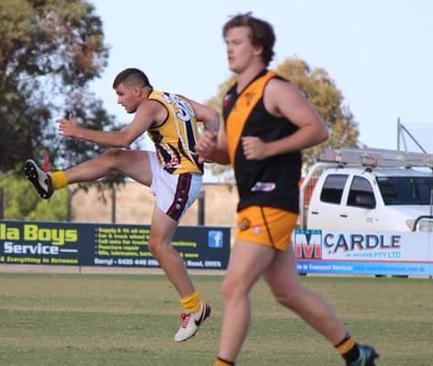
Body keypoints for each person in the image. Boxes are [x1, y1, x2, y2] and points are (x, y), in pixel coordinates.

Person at [195, 13, 379, 366]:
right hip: (253, 201)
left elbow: (317, 130)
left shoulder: (274, 88)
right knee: (287, 292)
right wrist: (211, 151)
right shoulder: (233, 97)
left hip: (272, 200)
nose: (229, 51)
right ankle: (356, 354)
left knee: (233, 288)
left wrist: (269, 148)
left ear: (259, 48)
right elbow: (232, 151)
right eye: (227, 44)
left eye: (237, 43)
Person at [24, 68, 219, 342]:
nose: (119, 100)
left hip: (180, 179)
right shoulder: (173, 98)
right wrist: (209, 142)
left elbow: (125, 138)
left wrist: (79, 132)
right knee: (114, 158)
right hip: (167, 167)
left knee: (158, 245)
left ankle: (194, 308)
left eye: (121, 94)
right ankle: (52, 182)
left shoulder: (150, 106)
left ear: (137, 91)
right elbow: (212, 115)